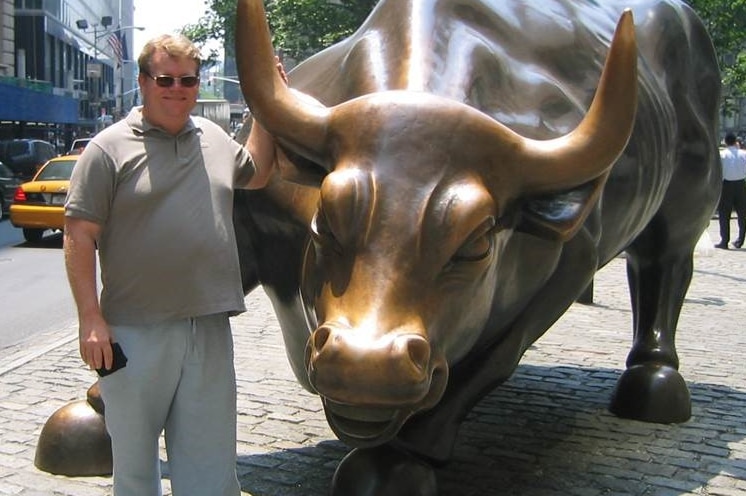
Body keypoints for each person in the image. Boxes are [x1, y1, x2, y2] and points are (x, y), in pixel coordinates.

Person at [64, 34, 284, 495]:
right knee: (137, 469)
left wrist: (267, 105)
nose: (177, 89)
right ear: (143, 82)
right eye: (165, 79)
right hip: (134, 331)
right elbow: (79, 235)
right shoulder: (107, 150)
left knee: (210, 465)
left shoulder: (217, 139)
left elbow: (259, 173)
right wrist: (90, 319)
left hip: (208, 327)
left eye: (187, 80)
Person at [715, 132, 746, 249]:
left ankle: (724, 241)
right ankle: (741, 239)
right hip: (741, 185)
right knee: (742, 214)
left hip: (727, 185)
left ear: (726, 142)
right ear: (735, 141)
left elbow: (718, 171)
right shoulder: (744, 154)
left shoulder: (722, 155)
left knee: (724, 214)